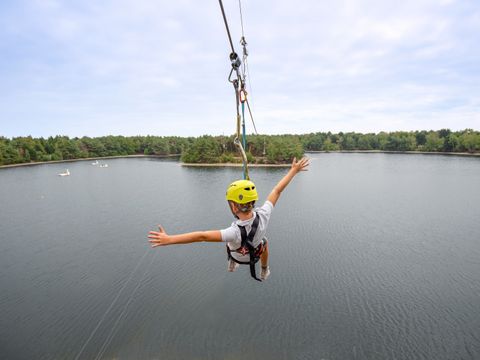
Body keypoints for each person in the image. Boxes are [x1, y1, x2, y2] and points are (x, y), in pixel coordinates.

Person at [148, 157, 310, 281]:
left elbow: (201, 236)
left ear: (233, 207)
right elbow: (277, 190)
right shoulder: (264, 214)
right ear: (253, 202)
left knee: (228, 243)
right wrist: (293, 171)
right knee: (264, 243)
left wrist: (169, 239)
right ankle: (264, 269)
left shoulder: (232, 232)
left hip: (238, 254)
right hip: (255, 254)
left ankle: (232, 262)